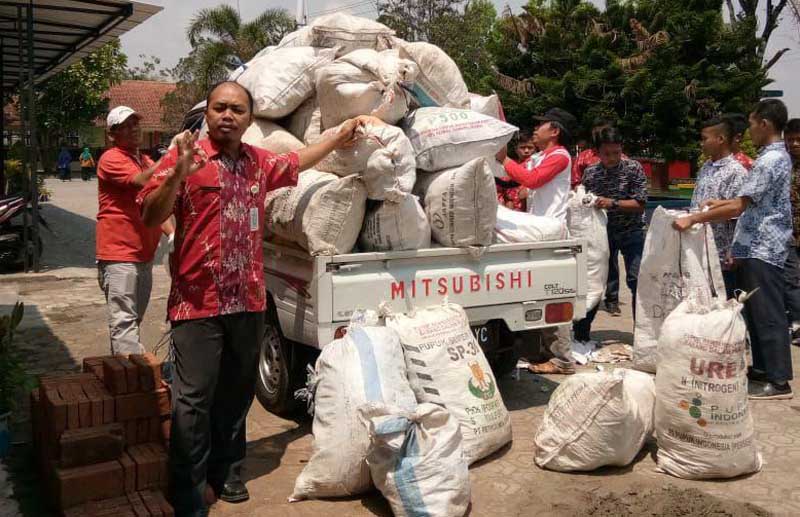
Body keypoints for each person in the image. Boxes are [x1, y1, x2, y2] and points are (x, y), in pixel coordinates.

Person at [138, 81, 364, 515]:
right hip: (196, 304)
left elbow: (297, 161)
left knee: (237, 394)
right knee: (192, 400)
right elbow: (150, 213)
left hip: (247, 300)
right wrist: (178, 176)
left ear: (249, 118)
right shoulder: (185, 156)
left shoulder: (258, 163)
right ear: (208, 114)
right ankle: (188, 488)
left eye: (237, 109)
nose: (228, 115)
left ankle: (228, 474)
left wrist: (337, 135)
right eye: (220, 107)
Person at [673, 99, 793, 400]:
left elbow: (740, 205)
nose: (748, 131)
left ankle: (779, 381)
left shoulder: (769, 161)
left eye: (752, 125)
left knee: (768, 313)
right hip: (753, 245)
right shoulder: (770, 157)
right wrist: (717, 205)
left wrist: (696, 217)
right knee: (754, 312)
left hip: (764, 246)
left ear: (764, 124)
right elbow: (744, 201)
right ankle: (763, 369)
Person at [497, 108, 577, 374]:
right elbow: (516, 179)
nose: (535, 129)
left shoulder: (560, 156)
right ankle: (541, 352)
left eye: (540, 125)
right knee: (536, 294)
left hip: (551, 233)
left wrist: (505, 159)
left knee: (554, 293)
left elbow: (531, 180)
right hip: (537, 230)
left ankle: (562, 360)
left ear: (554, 131)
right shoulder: (542, 156)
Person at [96, 106, 174, 356]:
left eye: (135, 124)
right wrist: (172, 158)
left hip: (143, 257)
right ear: (112, 134)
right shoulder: (112, 158)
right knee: (125, 325)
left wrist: (173, 236)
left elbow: (156, 203)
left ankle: (121, 379)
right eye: (126, 126)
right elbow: (143, 182)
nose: (133, 129)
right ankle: (135, 385)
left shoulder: (143, 160)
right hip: (120, 256)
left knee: (130, 324)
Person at [574, 127, 647, 343]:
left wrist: (612, 203)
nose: (613, 158)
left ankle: (642, 336)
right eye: (607, 153)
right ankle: (581, 334)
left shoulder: (633, 169)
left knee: (637, 280)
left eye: (617, 152)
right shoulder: (591, 173)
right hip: (601, 235)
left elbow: (640, 204)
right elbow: (583, 202)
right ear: (597, 152)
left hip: (632, 232)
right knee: (593, 281)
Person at [691, 117, 747, 299]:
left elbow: (740, 214)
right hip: (700, 250)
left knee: (723, 307)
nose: (702, 143)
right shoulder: (706, 168)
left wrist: (735, 249)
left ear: (720, 139)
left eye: (705, 138)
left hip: (722, 257)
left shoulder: (736, 172)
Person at [785, 118, 800, 344]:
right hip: (787, 233)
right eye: (791, 140)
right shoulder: (782, 164)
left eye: (799, 140)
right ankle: (797, 323)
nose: (795, 144)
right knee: (791, 279)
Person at [496, 130, 535, 211]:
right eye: (522, 147)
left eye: (530, 147)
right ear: (516, 149)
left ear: (535, 149)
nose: (526, 151)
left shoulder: (537, 165)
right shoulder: (510, 167)